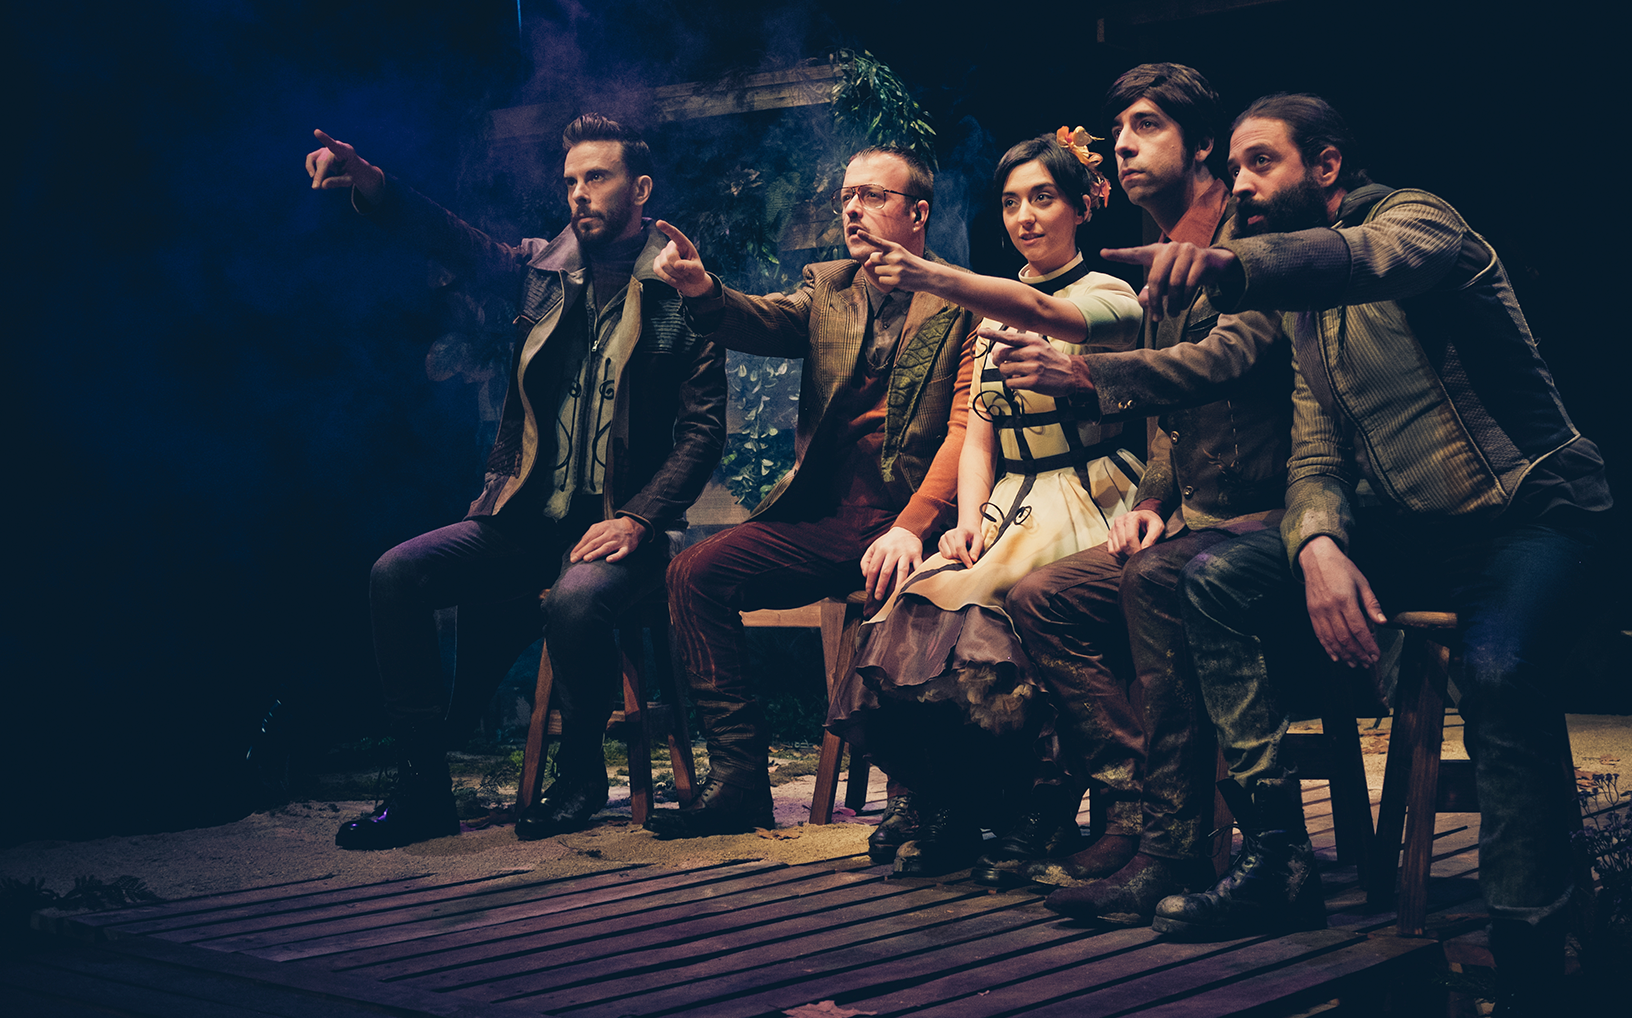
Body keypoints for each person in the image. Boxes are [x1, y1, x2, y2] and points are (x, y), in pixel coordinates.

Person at [1123, 93, 1609, 1013]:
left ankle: (1531, 957)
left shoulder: (1422, 221)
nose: (1240, 185)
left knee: (1498, 671)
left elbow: (1369, 258)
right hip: (1414, 536)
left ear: (1328, 166)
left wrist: (1230, 263)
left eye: (1261, 162)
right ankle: (1277, 856)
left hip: (1532, 517)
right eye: (1234, 168)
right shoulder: (1305, 317)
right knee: (1216, 579)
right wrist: (1316, 544)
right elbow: (1316, 458)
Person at [304, 116, 725, 849]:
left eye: (596, 177)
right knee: (395, 574)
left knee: (576, 597)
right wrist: (374, 185)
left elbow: (702, 432)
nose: (579, 193)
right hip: (528, 521)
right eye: (570, 181)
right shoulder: (540, 270)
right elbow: (453, 241)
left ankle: (581, 774)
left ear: (640, 189)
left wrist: (640, 518)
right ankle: (423, 790)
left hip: (625, 534)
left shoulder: (681, 287)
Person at [974, 64, 1297, 922]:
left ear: (1203, 145)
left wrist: (1087, 378)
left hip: (1272, 511)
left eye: (1147, 126)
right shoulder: (1157, 247)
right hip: (1196, 515)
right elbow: (1170, 429)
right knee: (1043, 596)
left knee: (1154, 580)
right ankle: (1133, 810)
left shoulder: (1247, 237)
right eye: (1117, 130)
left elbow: (1228, 359)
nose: (1122, 145)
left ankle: (1177, 844)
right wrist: (1152, 499)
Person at [823, 128, 1145, 877]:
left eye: (1043, 198)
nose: (1025, 217)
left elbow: (1047, 312)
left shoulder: (1109, 296)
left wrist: (935, 277)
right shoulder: (989, 316)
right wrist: (966, 524)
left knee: (1001, 612)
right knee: (919, 597)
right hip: (1009, 497)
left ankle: (1040, 802)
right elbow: (977, 435)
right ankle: (944, 797)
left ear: (1083, 207)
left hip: (1086, 489)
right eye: (1010, 202)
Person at [649, 145, 980, 838]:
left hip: (917, 521)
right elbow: (762, 319)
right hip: (830, 519)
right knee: (693, 573)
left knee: (910, 593)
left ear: (918, 213)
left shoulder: (963, 299)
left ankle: (916, 798)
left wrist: (915, 525)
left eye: (873, 196)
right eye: (847, 196)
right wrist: (702, 291)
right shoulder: (830, 286)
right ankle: (740, 782)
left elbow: (962, 431)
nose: (853, 209)